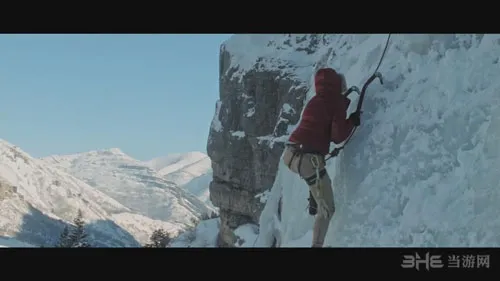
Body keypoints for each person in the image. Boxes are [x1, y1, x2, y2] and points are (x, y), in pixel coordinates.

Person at [282, 67, 361, 248]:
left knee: (316, 178)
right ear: (338, 85)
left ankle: (313, 202)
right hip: (309, 160)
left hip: (291, 154)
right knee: (327, 209)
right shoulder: (335, 102)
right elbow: (338, 135)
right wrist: (352, 121)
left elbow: (316, 128)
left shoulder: (315, 100)